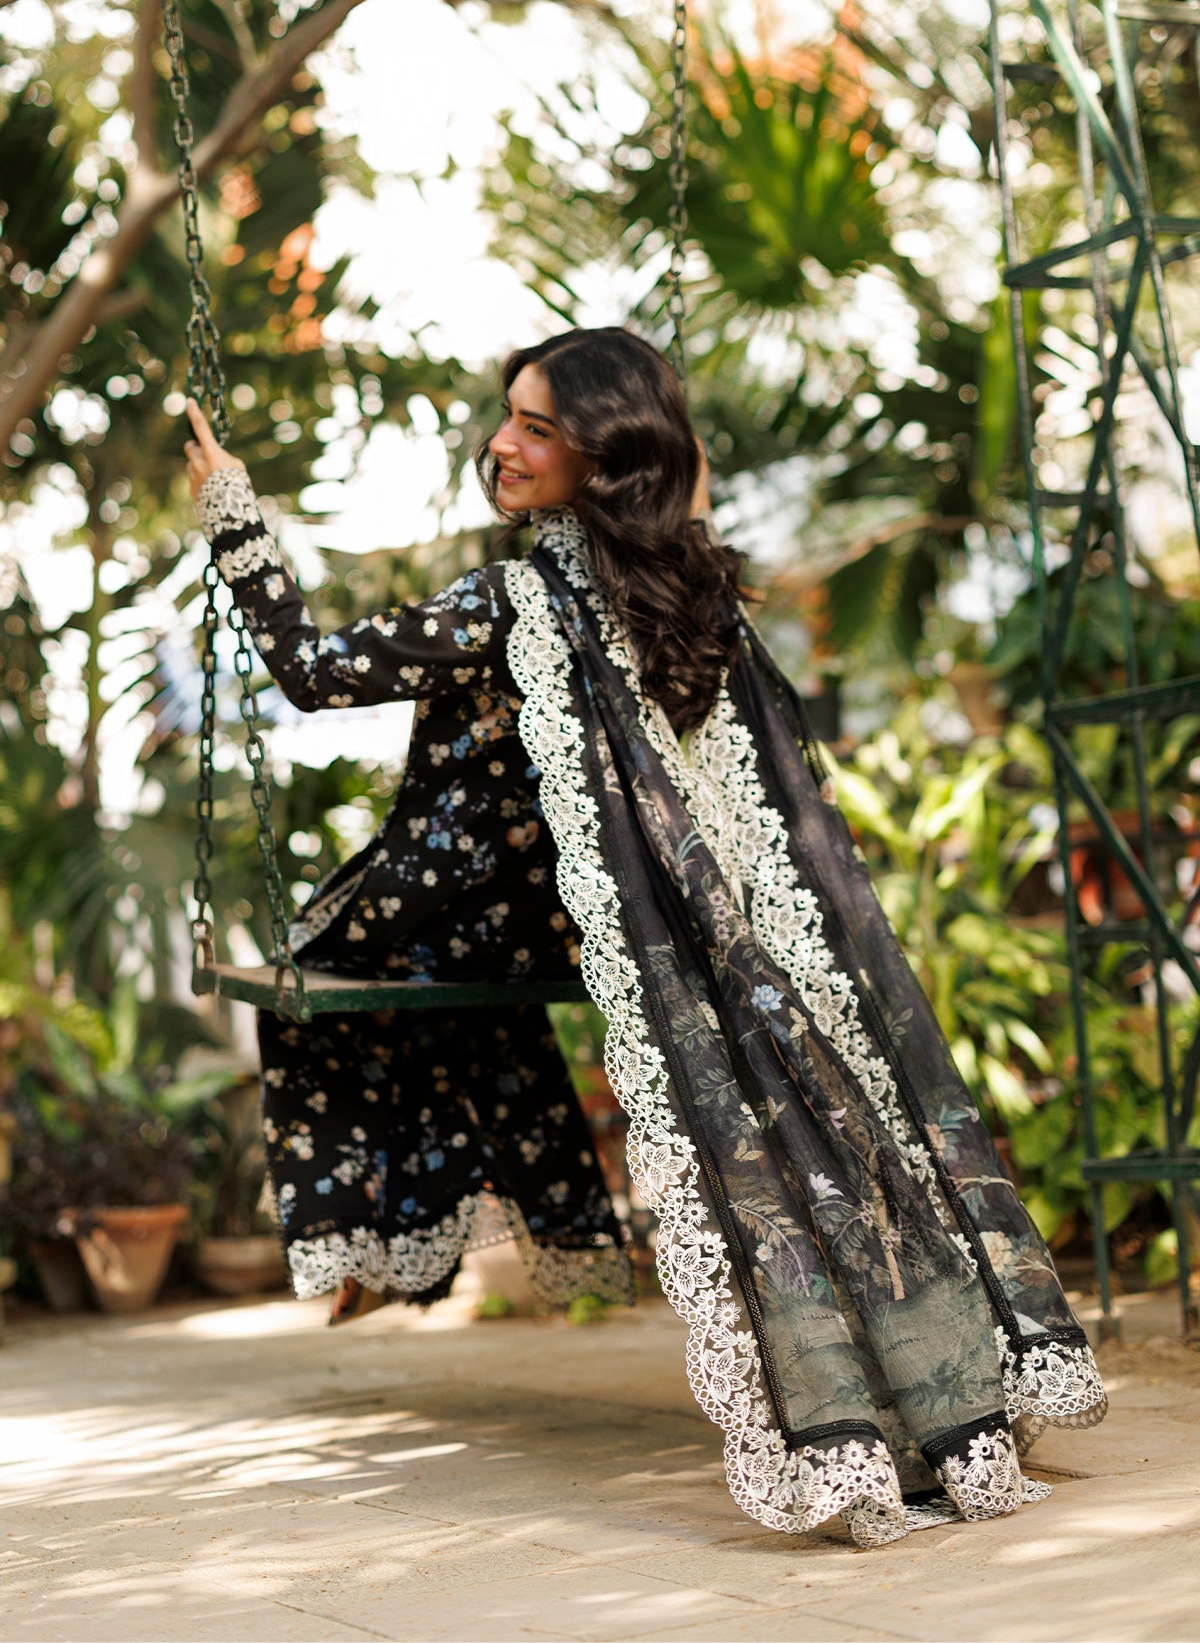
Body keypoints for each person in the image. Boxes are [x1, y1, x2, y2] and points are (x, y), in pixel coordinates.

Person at [185, 326, 1105, 1547]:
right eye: (508, 417)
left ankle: (398, 1243)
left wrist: (233, 517)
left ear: (605, 461)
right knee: (394, 984)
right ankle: (417, 1247)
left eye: (538, 430)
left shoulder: (517, 601)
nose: (501, 446)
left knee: (332, 963)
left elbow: (310, 671)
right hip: (607, 918)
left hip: (523, 916)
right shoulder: (694, 588)